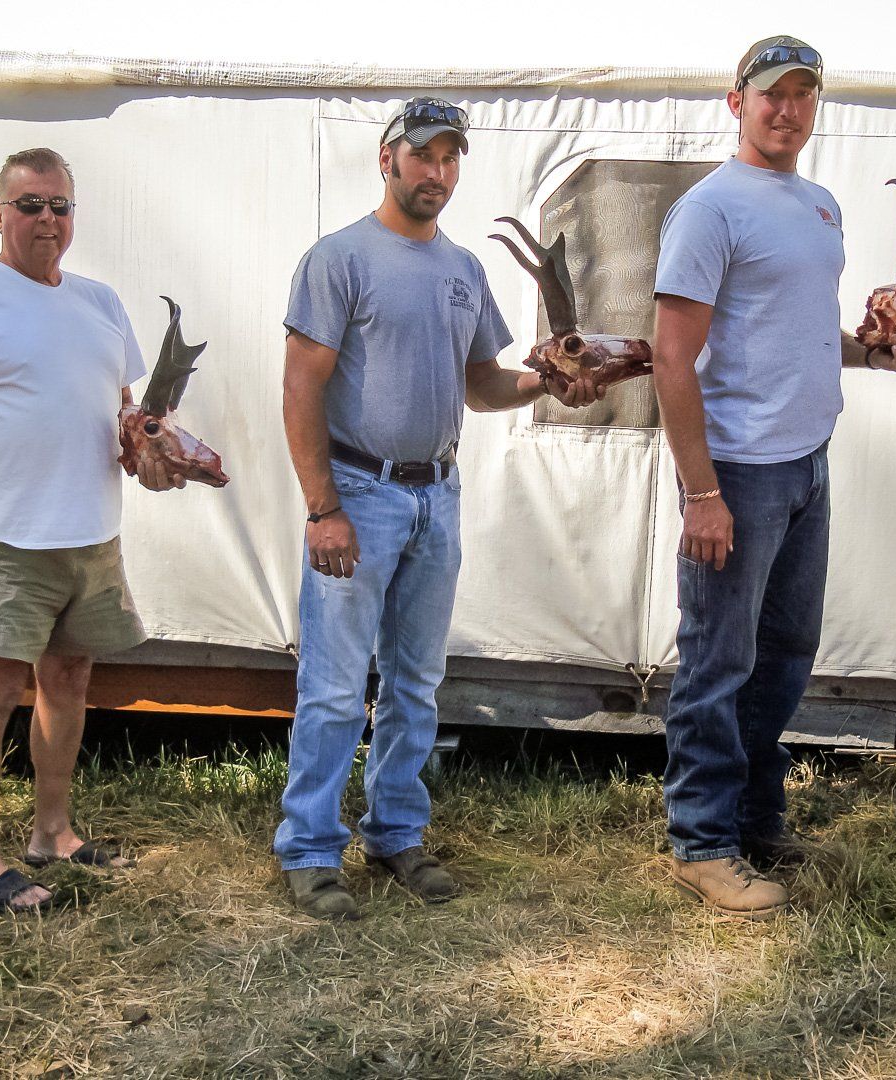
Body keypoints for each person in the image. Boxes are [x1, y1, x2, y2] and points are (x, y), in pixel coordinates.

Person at [275, 97, 603, 920]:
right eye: (423, 155)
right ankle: (311, 849)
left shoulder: (462, 271)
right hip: (359, 494)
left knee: (416, 683)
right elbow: (300, 387)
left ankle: (395, 834)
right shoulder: (339, 258)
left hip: (437, 496)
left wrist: (547, 384)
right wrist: (324, 509)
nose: (438, 172)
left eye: (451, 158)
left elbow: (483, 384)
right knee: (334, 684)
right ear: (387, 159)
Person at [650, 37, 896, 919]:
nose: (788, 109)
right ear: (737, 102)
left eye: (804, 95)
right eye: (772, 94)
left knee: (784, 657)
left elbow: (804, 333)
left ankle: (755, 816)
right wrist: (703, 492)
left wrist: (874, 357)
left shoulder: (817, 205)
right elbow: (671, 356)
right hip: (739, 470)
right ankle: (701, 841)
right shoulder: (710, 209)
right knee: (718, 659)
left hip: (807, 462)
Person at [0, 148, 180, 914]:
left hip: (89, 531)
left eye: (60, 206)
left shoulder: (100, 302)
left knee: (68, 679)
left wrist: (148, 453)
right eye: (30, 206)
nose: (47, 219)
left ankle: (52, 831)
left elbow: (124, 412)